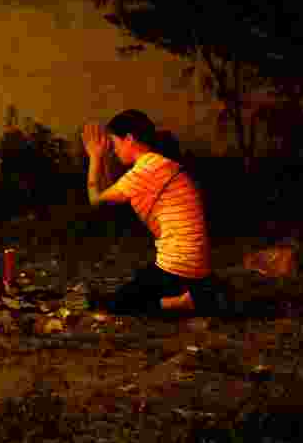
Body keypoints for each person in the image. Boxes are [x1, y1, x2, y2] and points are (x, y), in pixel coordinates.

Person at [82, 110, 222, 316]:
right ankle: (196, 294)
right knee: (131, 289)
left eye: (114, 143)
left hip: (179, 266)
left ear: (129, 139)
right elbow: (109, 192)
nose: (114, 150)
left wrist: (94, 157)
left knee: (115, 304)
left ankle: (185, 302)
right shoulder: (157, 165)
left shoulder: (147, 170)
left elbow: (96, 200)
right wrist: (102, 158)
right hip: (194, 264)